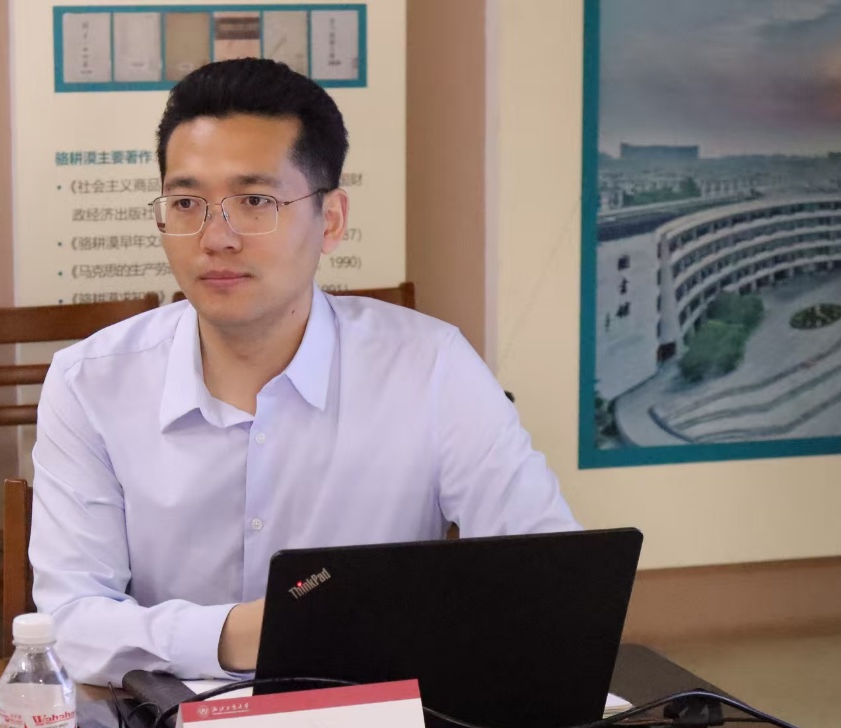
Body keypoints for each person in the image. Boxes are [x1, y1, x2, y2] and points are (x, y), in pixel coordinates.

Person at [29, 58, 579, 686]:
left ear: (332, 220)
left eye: (254, 201)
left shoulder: (430, 366)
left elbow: (550, 574)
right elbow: (69, 619)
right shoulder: (89, 383)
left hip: (373, 726)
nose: (215, 238)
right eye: (186, 203)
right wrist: (250, 633)